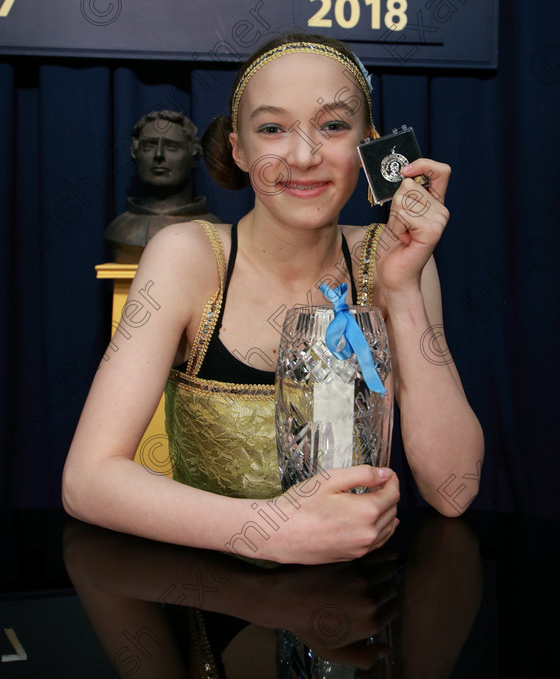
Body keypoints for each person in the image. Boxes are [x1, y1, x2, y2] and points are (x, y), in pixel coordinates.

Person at [62, 34, 484, 565]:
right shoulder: (186, 257)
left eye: (332, 125)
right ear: (239, 150)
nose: (305, 156)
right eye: (272, 129)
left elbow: (454, 491)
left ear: (368, 144)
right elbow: (86, 480)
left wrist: (400, 291)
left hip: (357, 616)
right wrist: (274, 532)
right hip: (214, 604)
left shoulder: (394, 258)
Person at [103, 109, 219, 262]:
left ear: (195, 156)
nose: (159, 154)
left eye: (172, 147)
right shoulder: (120, 230)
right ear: (135, 153)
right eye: (149, 146)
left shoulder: (213, 231)